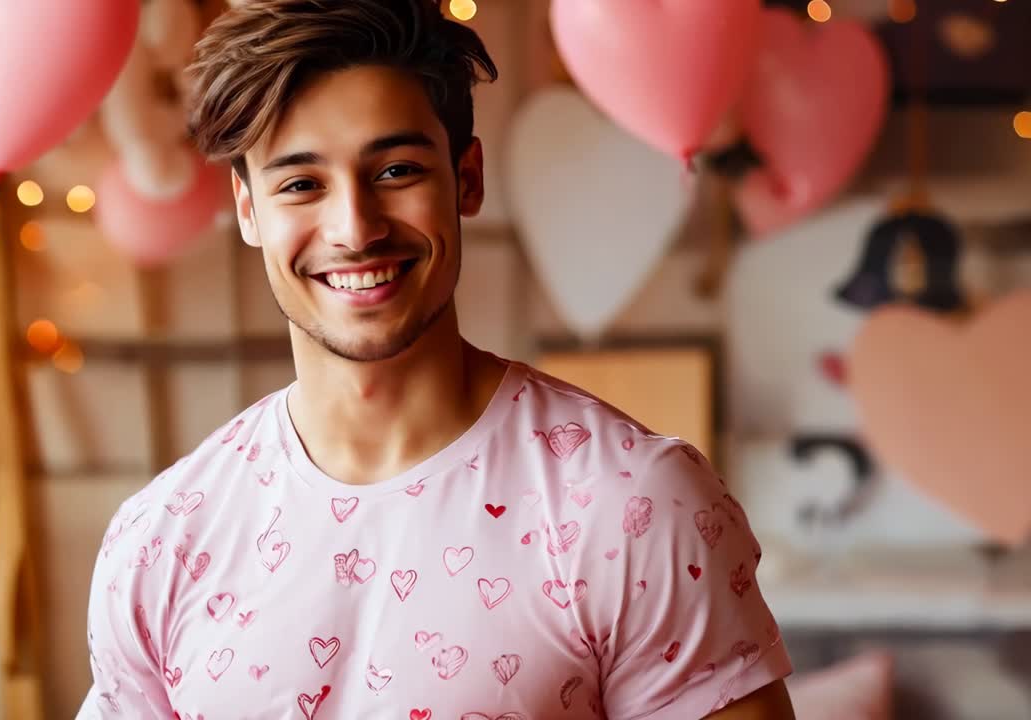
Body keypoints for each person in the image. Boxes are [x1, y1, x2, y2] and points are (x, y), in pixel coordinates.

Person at [78, 1, 796, 717]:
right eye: (301, 184)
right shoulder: (161, 540)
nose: (355, 228)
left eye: (396, 170)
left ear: (467, 178)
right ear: (247, 209)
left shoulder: (634, 507)